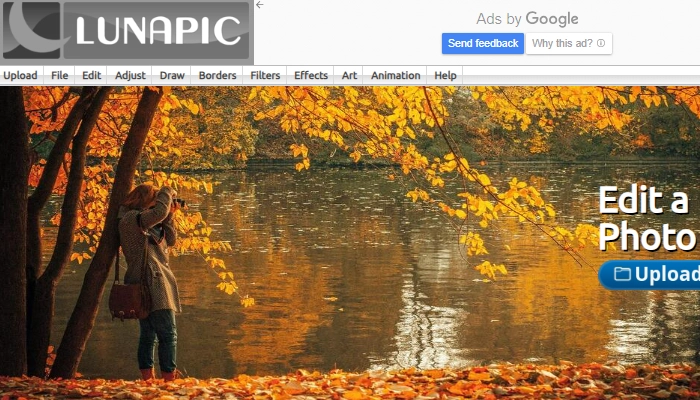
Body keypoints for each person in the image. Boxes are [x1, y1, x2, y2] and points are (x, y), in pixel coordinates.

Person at [118, 184, 182, 381]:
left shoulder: (146, 222)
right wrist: (167, 191)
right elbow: (160, 211)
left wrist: (169, 216)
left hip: (155, 281)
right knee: (168, 334)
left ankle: (149, 380)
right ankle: (168, 380)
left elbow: (170, 240)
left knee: (149, 334)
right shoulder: (130, 219)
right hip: (150, 282)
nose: (158, 204)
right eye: (155, 199)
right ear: (144, 199)